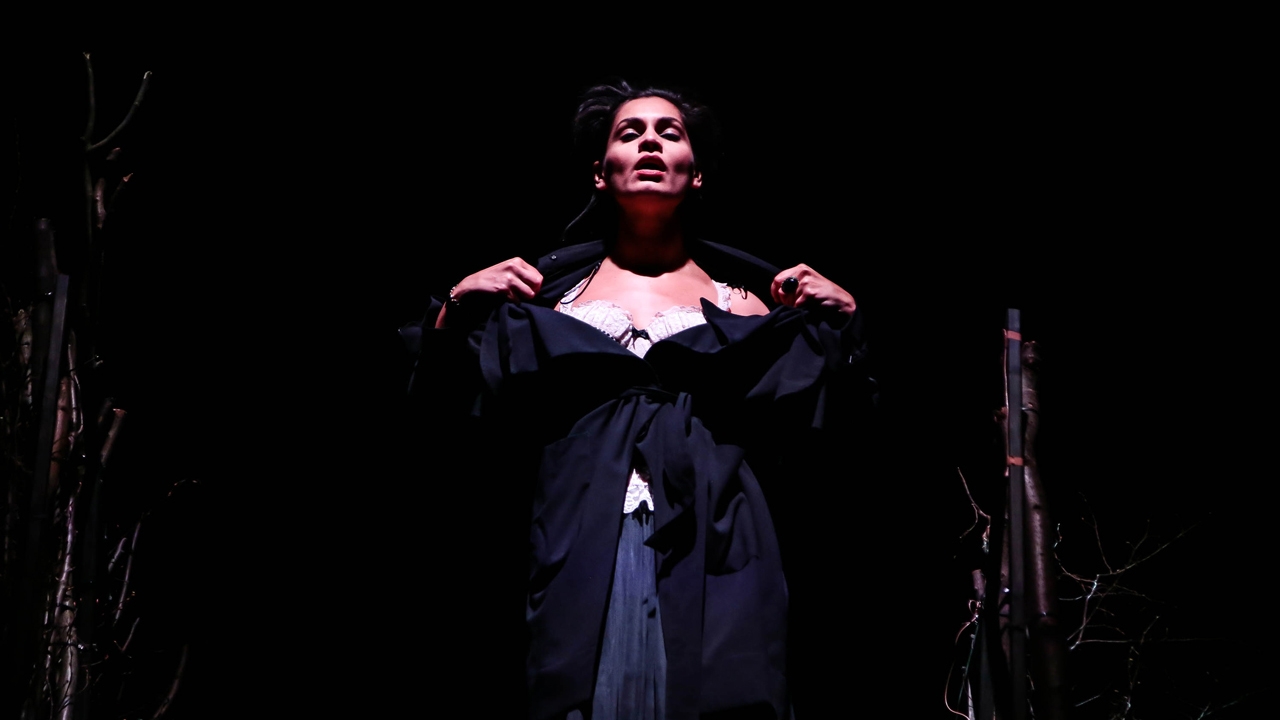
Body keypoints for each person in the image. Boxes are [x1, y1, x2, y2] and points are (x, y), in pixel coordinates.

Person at [403, 80, 872, 720]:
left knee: (725, 694)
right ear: (601, 173)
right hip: (578, 531)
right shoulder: (547, 299)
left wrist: (846, 321)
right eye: (630, 133)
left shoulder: (748, 304)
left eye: (668, 133)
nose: (650, 141)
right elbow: (442, 413)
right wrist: (456, 306)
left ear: (696, 173)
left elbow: (837, 432)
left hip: (720, 536)